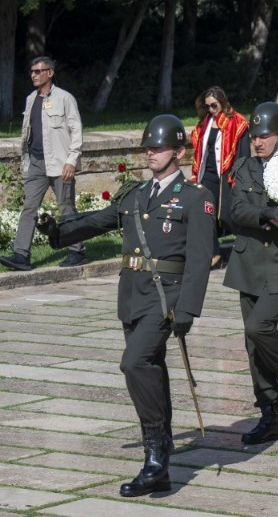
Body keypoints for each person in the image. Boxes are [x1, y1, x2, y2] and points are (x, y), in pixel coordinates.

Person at [38, 115, 214, 496]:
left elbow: (200, 259)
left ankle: (155, 454)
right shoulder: (135, 194)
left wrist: (188, 310)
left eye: (160, 147)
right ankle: (162, 458)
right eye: (148, 147)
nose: (151, 152)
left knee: (134, 362)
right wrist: (58, 233)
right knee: (149, 367)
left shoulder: (196, 198)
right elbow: (101, 221)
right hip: (132, 296)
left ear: (179, 153)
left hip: (166, 298)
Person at [225, 102, 278, 445]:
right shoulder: (244, 167)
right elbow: (235, 210)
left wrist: (266, 213)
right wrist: (264, 214)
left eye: (265, 136)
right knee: (253, 343)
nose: (258, 142)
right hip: (248, 265)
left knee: (259, 326)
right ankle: (269, 415)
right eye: (254, 136)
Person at [1, 56, 85, 271]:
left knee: (66, 206)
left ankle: (77, 251)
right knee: (29, 207)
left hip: (60, 162)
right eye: (32, 71)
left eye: (38, 71)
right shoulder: (31, 99)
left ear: (50, 73)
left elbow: (76, 131)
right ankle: (21, 255)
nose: (34, 75)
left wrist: (71, 160)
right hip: (37, 162)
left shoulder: (65, 98)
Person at [189, 87, 249, 256]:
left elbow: (243, 153)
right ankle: (214, 253)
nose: (211, 110)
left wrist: (239, 176)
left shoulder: (237, 121)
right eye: (207, 106)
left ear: (222, 102)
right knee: (206, 213)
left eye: (214, 105)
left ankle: (250, 244)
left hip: (226, 175)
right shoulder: (206, 122)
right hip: (206, 175)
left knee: (228, 215)